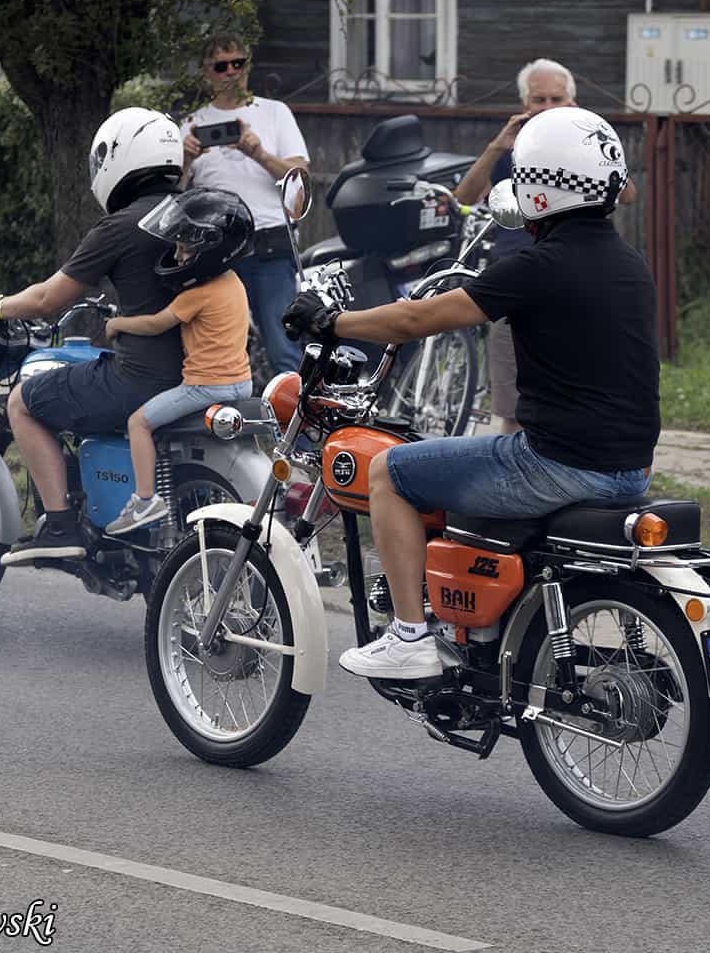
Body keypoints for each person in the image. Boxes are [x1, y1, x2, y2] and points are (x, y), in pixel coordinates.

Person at [282, 106, 658, 680]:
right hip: (629, 470)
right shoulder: (631, 264)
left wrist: (333, 322)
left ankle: (409, 636)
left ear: (539, 187)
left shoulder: (539, 265)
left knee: (389, 470)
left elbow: (416, 321)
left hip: (556, 464)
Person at [0, 107, 186, 565]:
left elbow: (48, 298)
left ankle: (61, 525)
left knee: (23, 401)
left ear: (120, 159)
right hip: (199, 376)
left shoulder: (122, 226)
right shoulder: (196, 212)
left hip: (141, 381)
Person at [454, 58, 637, 435]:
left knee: (583, 392)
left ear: (572, 101)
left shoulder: (588, 144)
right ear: (525, 102)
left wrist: (590, 138)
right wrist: (496, 146)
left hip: (582, 278)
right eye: (540, 99)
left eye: (557, 98)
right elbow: (465, 197)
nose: (548, 107)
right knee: (512, 406)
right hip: (518, 276)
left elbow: (629, 194)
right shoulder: (515, 146)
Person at [103, 189, 256, 534]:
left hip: (205, 385)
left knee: (138, 423)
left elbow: (157, 323)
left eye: (185, 247)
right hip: (241, 382)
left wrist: (117, 324)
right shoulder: (234, 283)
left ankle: (144, 501)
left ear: (210, 252)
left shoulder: (197, 294)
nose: (177, 253)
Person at [180, 31, 310, 377]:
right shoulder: (192, 124)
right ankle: (224, 426)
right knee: (221, 349)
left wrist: (259, 153)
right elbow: (174, 197)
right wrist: (186, 161)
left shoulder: (273, 113)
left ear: (248, 65)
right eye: (221, 66)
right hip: (216, 251)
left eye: (238, 63)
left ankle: (295, 429)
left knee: (284, 348)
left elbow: (300, 176)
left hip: (270, 244)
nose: (231, 72)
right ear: (207, 72)